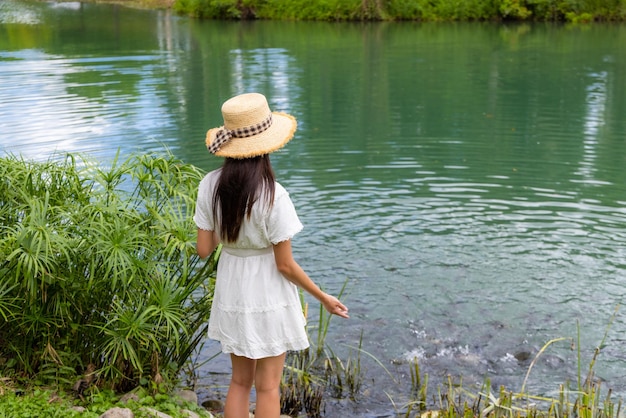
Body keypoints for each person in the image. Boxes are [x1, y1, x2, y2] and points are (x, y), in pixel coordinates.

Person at [194, 92, 349, 418]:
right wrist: (323, 298)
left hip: (232, 287)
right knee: (268, 387)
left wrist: (232, 235)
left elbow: (204, 250)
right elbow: (285, 265)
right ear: (265, 145)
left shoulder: (209, 185)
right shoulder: (273, 195)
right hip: (268, 291)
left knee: (239, 382)